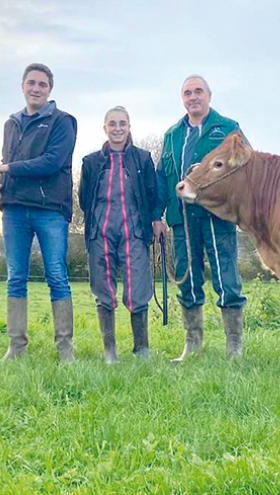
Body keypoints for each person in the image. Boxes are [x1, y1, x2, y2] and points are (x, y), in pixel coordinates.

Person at [0, 63, 78, 362]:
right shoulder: (11, 123)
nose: (36, 89)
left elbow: (52, 161)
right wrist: (1, 183)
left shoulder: (63, 122)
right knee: (15, 277)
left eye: (42, 84)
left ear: (50, 89)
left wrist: (6, 168)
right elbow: (10, 160)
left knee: (57, 276)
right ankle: (16, 347)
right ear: (22, 86)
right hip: (15, 209)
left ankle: (65, 347)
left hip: (50, 209)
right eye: (31, 83)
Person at [156, 75, 247, 361]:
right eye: (187, 93)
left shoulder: (228, 129)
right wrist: (157, 216)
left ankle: (234, 347)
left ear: (209, 95)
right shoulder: (172, 134)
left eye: (198, 92)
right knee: (187, 278)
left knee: (226, 277)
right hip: (181, 217)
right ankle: (192, 345)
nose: (193, 97)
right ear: (182, 99)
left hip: (217, 215)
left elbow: (248, 167)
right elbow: (162, 177)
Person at [78, 106, 164, 363]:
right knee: (103, 290)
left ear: (129, 127)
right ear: (105, 128)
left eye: (122, 124)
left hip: (134, 232)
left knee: (138, 288)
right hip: (100, 233)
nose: (117, 128)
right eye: (112, 124)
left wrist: (156, 219)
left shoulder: (143, 158)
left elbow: (153, 194)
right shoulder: (91, 162)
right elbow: (84, 200)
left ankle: (142, 349)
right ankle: (109, 351)